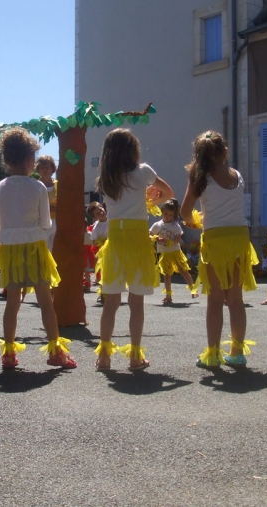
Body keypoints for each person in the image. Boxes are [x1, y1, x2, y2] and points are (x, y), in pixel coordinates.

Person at [0, 127, 76, 369]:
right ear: (30, 160)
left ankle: (8, 353)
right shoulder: (38, 187)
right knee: (45, 300)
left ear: (6, 159)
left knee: (12, 302)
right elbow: (46, 222)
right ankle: (55, 351)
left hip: (11, 250)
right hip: (35, 247)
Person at [93, 128, 173, 371]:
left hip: (115, 239)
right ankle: (135, 357)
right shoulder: (143, 172)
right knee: (136, 303)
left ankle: (104, 357)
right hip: (138, 239)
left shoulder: (104, 180)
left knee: (111, 302)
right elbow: (168, 193)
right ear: (132, 149)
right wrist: (151, 200)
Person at [180, 130, 257, 369]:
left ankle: (213, 354)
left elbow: (184, 213)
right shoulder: (237, 175)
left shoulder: (199, 177)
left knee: (215, 299)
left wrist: (195, 221)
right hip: (239, 237)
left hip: (214, 238)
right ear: (225, 151)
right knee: (235, 298)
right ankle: (237, 351)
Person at [149, 198, 197, 304]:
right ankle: (168, 296)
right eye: (166, 214)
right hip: (165, 254)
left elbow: (178, 237)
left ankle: (193, 289)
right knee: (167, 274)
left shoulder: (175, 225)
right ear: (162, 212)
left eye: (171, 215)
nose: (168, 216)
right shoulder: (157, 225)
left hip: (175, 253)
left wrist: (171, 241)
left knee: (183, 271)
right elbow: (150, 235)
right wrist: (157, 238)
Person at [35, 155, 57, 250]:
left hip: (57, 222)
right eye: (42, 167)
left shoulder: (59, 184)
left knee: (54, 249)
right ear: (38, 169)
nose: (45, 170)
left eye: (47, 167)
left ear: (52, 168)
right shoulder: (35, 186)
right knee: (43, 249)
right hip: (41, 223)